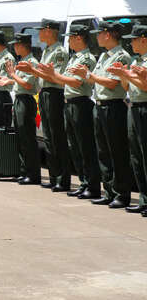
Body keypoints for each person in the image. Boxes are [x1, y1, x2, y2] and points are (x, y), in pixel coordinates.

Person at [71, 20, 133, 208]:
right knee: (103, 151)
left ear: (107, 34)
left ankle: (122, 194)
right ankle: (109, 191)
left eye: (99, 33)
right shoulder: (105, 56)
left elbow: (112, 83)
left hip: (114, 106)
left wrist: (88, 76)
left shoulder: (121, 56)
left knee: (117, 151)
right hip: (99, 105)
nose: (96, 37)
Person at [38, 24, 100, 199]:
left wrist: (52, 74)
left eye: (71, 37)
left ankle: (92, 185)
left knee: (85, 146)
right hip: (70, 102)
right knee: (75, 147)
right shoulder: (74, 58)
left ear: (79, 38)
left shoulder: (86, 58)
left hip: (81, 103)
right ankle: (83, 183)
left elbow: (75, 82)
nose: (69, 41)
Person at [17, 19, 71, 191]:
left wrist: (32, 71)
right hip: (45, 93)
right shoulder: (47, 50)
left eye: (41, 30)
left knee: (57, 137)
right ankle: (55, 176)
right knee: (48, 137)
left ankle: (62, 179)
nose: (39, 34)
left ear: (49, 31)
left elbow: (56, 77)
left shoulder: (59, 51)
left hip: (55, 94)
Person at [0, 33, 41, 185]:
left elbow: (28, 85)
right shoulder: (23, 61)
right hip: (20, 99)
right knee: (21, 138)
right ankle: (24, 171)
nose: (14, 47)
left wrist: (13, 75)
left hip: (27, 100)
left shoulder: (31, 62)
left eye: (16, 44)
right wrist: (10, 79)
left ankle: (33, 174)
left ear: (22, 45)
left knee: (28, 138)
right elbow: (20, 83)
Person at [115, 25, 147, 214]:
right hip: (133, 107)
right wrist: (124, 76)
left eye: (134, 39)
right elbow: (127, 87)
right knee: (136, 156)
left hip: (144, 107)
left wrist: (127, 75)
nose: (131, 42)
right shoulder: (138, 60)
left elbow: (145, 86)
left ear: (143, 39)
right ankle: (143, 199)